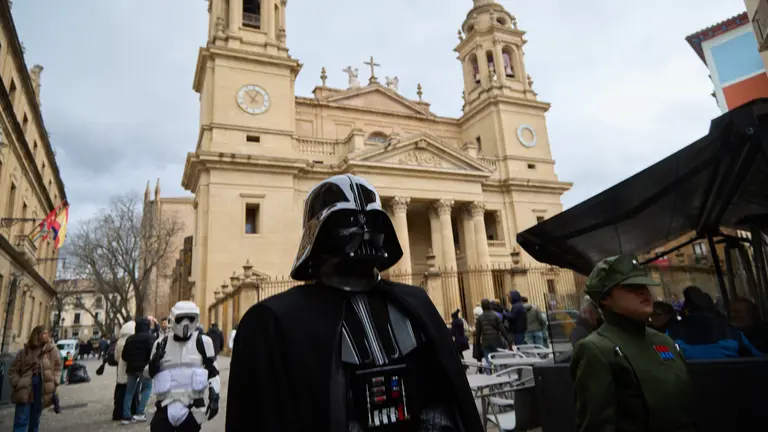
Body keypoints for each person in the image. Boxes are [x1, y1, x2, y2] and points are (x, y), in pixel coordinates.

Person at [227, 174, 483, 432]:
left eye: (373, 222)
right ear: (320, 234)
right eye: (349, 222)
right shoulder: (272, 321)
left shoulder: (415, 305)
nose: (365, 232)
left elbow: (443, 393)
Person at [570, 254, 695, 432]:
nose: (643, 292)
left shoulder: (664, 341)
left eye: (644, 285)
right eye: (631, 287)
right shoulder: (595, 349)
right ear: (605, 298)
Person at [147, 301, 220, 432]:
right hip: (165, 406)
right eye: (181, 318)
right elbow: (147, 374)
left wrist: (214, 396)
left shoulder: (203, 342)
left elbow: (213, 372)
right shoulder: (160, 343)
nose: (185, 323)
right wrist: (154, 363)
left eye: (190, 318)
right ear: (173, 318)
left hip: (192, 407)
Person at [667, 286, 762, 360]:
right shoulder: (732, 334)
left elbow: (661, 361)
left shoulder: (670, 335)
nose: (732, 315)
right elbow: (758, 361)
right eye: (730, 312)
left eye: (737, 312)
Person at [9, 325, 61, 432]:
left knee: (35, 419)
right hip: (25, 387)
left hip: (42, 387)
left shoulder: (52, 350)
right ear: (37, 335)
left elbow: (58, 367)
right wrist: (17, 383)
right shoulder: (24, 352)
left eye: (47, 333)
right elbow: (13, 371)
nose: (47, 335)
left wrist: (55, 381)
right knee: (21, 419)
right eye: (44, 333)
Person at [121, 317, 156, 424]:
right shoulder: (150, 337)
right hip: (144, 369)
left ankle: (126, 416)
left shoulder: (130, 338)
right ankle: (140, 412)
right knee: (147, 389)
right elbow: (153, 354)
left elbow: (124, 355)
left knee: (129, 392)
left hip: (131, 368)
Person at [113, 320, 137, 421]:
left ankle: (118, 412)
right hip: (128, 369)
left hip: (120, 369)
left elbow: (115, 357)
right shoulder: (131, 341)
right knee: (130, 391)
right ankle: (130, 410)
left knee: (121, 391)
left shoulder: (119, 341)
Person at [475, 299, 508, 371]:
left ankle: (489, 374)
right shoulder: (495, 316)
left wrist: (477, 344)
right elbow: (502, 329)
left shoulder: (480, 318)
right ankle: (498, 373)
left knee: (488, 361)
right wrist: (506, 338)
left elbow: (478, 333)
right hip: (496, 340)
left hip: (485, 341)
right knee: (497, 359)